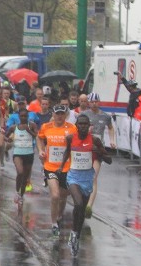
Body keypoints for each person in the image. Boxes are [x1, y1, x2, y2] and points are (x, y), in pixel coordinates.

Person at [61, 114, 112, 256]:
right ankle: (73, 233)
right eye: (80, 124)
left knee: (82, 210)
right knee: (77, 204)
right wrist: (61, 166)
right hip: (73, 177)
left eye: (85, 124)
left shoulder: (95, 140)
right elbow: (66, 152)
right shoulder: (70, 138)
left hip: (87, 179)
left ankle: (75, 234)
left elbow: (109, 160)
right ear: (76, 125)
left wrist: (99, 153)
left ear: (89, 125)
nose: (83, 126)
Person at [37, 105, 77, 237]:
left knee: (64, 196)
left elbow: (76, 143)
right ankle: (54, 223)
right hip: (50, 167)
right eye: (57, 114)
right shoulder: (46, 127)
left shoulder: (72, 128)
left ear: (65, 115)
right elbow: (39, 138)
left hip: (66, 167)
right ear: (53, 114)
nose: (59, 116)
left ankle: (59, 216)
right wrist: (41, 150)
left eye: (62, 114)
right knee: (55, 195)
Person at [80, 92, 115, 217]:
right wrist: (85, 131)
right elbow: (76, 130)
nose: (94, 104)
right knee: (83, 178)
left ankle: (89, 206)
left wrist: (112, 140)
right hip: (85, 150)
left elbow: (111, 128)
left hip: (97, 150)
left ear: (99, 102)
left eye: (96, 102)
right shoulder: (84, 115)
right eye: (92, 102)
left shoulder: (105, 116)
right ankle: (82, 202)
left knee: (93, 178)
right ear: (89, 103)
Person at [6, 107, 38, 205]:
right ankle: (16, 191)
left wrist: (29, 131)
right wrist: (9, 140)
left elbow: (37, 136)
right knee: (20, 172)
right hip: (17, 153)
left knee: (25, 177)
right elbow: (6, 137)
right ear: (18, 117)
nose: (24, 118)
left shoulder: (32, 125)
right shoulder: (14, 127)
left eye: (25, 116)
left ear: (28, 116)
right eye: (22, 116)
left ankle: (21, 195)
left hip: (29, 153)